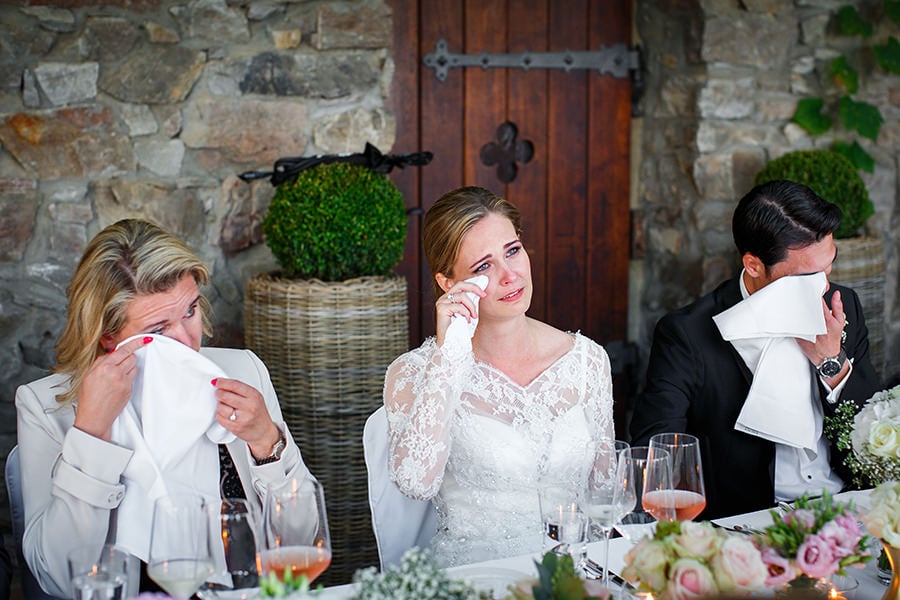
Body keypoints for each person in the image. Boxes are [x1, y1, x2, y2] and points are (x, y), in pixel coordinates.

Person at [15, 219, 312, 597]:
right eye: (158, 330)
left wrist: (267, 443)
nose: (187, 341)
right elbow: (56, 576)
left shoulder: (241, 373)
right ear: (109, 337)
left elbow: (303, 540)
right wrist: (91, 432)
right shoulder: (45, 408)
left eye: (190, 311)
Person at [383, 186, 615, 567]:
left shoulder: (588, 360)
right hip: (476, 578)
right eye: (483, 267)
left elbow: (605, 496)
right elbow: (414, 482)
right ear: (448, 283)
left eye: (512, 251)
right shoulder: (413, 372)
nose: (510, 275)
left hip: (572, 574)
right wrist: (448, 357)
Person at [630, 180, 882, 519]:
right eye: (807, 276)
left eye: (829, 264)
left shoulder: (843, 304)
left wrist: (832, 361)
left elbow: (872, 425)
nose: (823, 286)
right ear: (753, 265)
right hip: (748, 521)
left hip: (847, 506)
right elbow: (655, 454)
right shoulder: (687, 333)